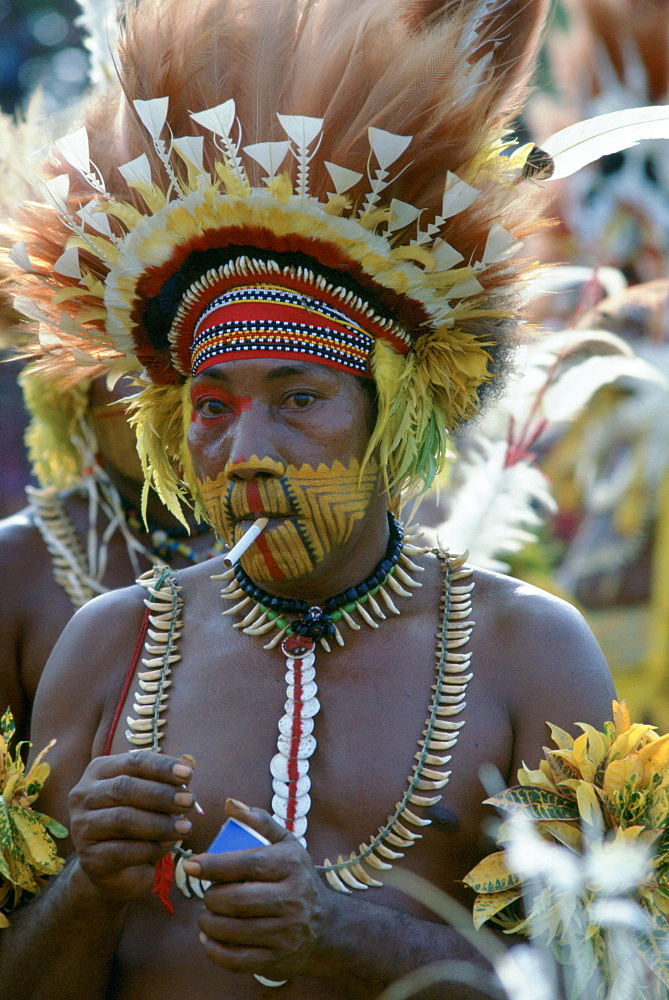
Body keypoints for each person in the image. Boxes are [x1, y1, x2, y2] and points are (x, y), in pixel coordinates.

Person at [0, 1, 615, 997]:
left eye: (298, 398)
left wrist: (338, 932)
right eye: (210, 406)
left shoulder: (529, 653)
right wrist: (89, 884)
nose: (245, 452)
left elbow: (608, 975)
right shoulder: (108, 650)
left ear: (394, 416)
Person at [0, 363, 223, 744]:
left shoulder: (307, 549)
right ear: (73, 392)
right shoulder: (15, 564)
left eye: (186, 354)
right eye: (128, 359)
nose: (163, 387)